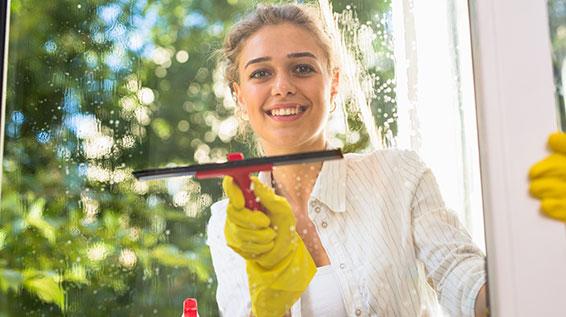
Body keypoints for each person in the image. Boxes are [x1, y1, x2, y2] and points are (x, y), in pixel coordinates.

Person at [206, 3, 488, 317]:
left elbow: (459, 273)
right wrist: (269, 289)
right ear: (240, 97)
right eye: (261, 73)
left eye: (302, 68)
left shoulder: (399, 176)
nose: (282, 87)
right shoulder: (229, 222)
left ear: (334, 83)